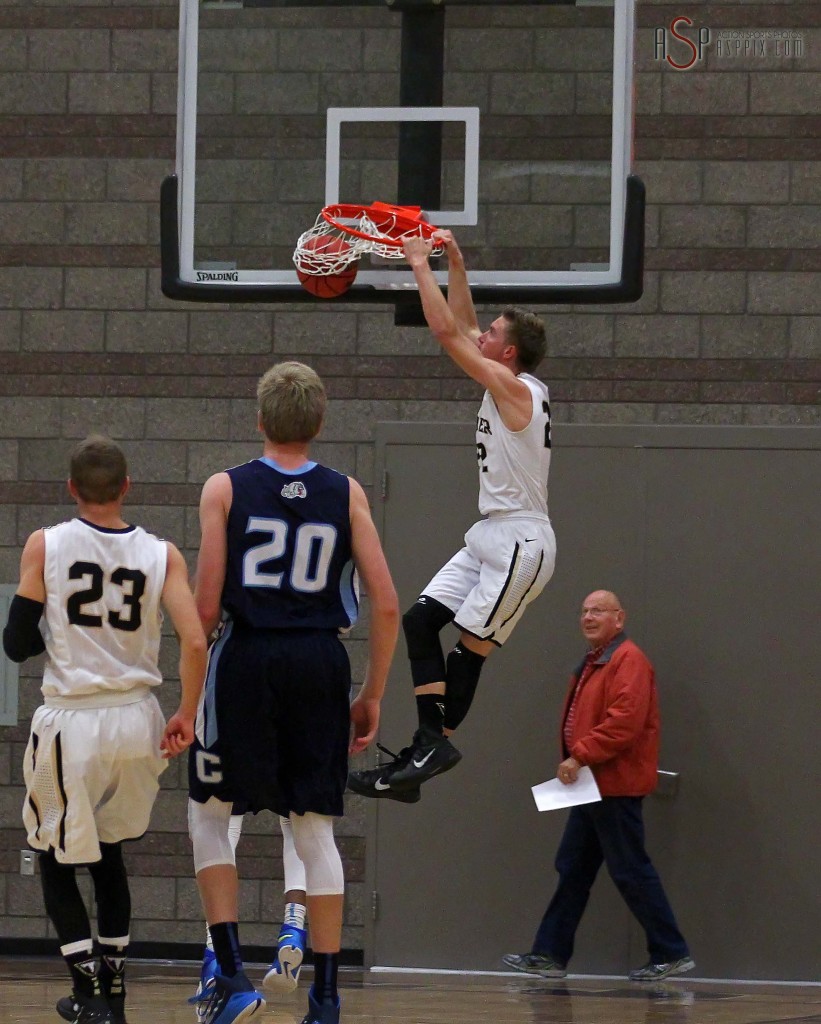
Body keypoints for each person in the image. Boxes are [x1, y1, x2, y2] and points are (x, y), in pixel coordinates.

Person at [187, 361, 399, 1024]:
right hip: (319, 661)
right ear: (319, 422)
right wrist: (371, 693)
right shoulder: (348, 492)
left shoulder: (224, 488)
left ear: (259, 420)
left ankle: (230, 977)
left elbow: (207, 601)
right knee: (314, 832)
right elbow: (387, 604)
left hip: (247, 656)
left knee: (209, 815)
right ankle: (327, 999)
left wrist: (189, 695)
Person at [2, 435, 207, 1024]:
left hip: (74, 720)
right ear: (126, 489)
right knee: (109, 855)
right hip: (138, 717)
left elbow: (15, 645)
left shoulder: (47, 544)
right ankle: (115, 993)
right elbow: (194, 640)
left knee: (52, 854)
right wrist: (186, 713)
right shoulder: (163, 553)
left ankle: (86, 991)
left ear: (71, 489)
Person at [348, 230, 556, 800]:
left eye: (493, 334)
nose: (481, 333)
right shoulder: (506, 374)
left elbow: (445, 331)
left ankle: (429, 746)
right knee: (418, 622)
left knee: (468, 650)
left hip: (522, 542)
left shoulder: (515, 389)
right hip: (490, 533)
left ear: (507, 352)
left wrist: (418, 264)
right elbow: (463, 326)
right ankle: (425, 748)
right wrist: (454, 262)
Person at [502, 591, 694, 982]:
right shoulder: (596, 662)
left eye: (598, 611)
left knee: (630, 869)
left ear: (619, 619)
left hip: (614, 786)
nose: (588, 617)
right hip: (594, 786)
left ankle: (671, 951)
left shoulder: (629, 661)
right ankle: (549, 954)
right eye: (584, 611)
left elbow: (624, 721)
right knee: (573, 867)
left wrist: (579, 755)